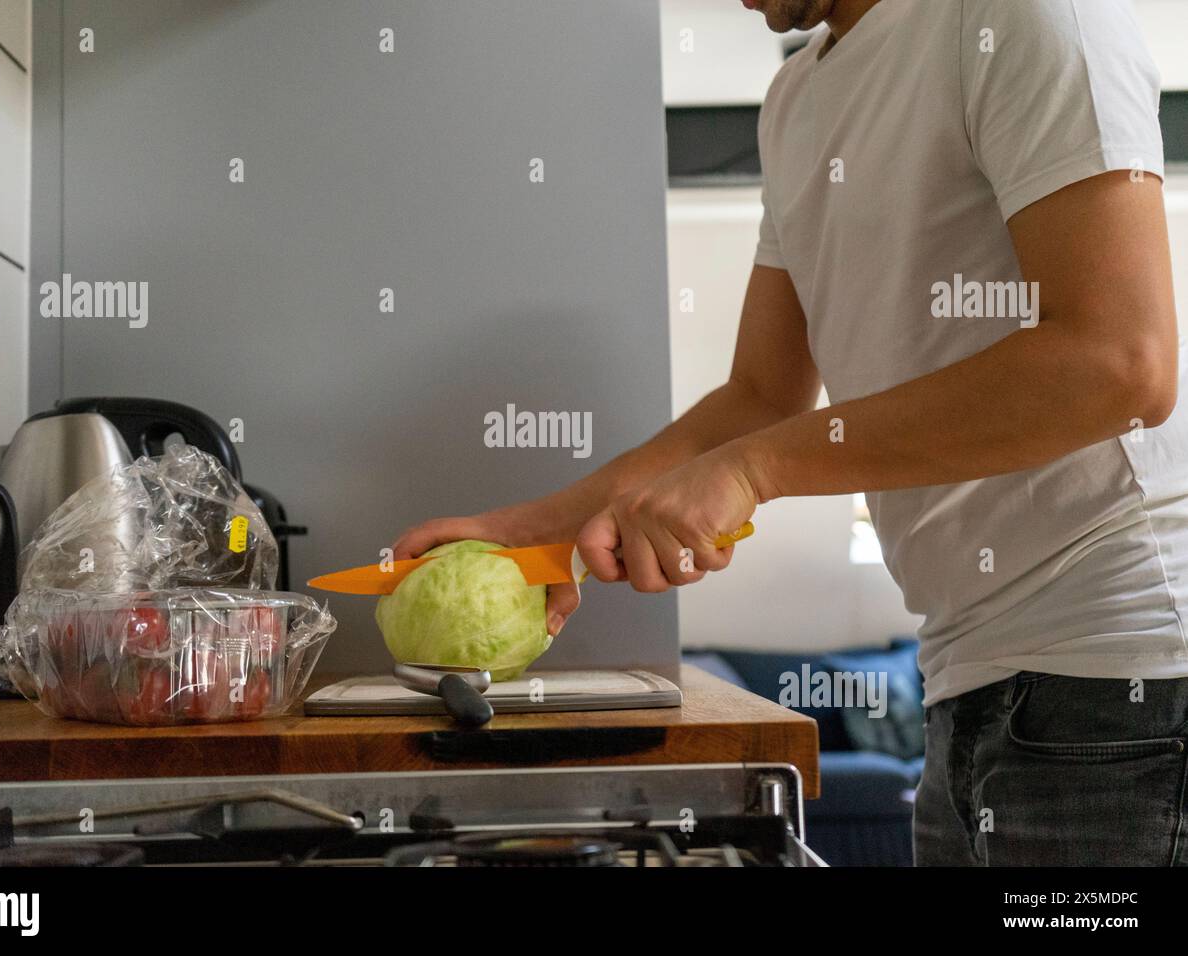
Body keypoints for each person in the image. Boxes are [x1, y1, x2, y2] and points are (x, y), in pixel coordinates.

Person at [396, 0, 1187, 866]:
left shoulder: (1024, 15)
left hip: (1125, 679)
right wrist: (535, 531)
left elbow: (1119, 362)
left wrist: (755, 472)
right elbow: (763, 394)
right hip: (967, 682)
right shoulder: (792, 102)